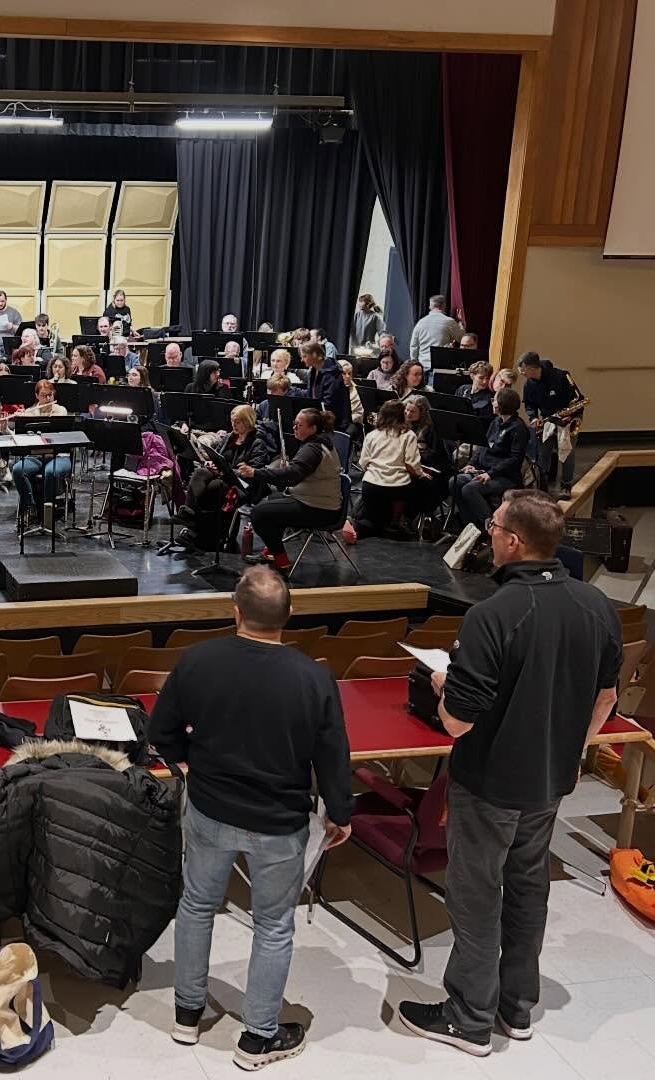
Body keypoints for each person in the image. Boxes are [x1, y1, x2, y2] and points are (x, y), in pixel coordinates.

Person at [397, 490, 621, 1057]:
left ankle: (468, 1017)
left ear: (514, 541)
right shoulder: (596, 606)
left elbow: (456, 726)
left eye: (494, 526)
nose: (488, 533)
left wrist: (446, 688)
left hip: (490, 783)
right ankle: (515, 1005)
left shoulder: (491, 615)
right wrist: (572, 750)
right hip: (550, 781)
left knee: (475, 895)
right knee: (528, 887)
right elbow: (607, 697)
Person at [150, 566, 351, 1071]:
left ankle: (187, 1016)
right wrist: (341, 812)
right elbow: (332, 755)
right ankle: (258, 1036)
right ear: (290, 615)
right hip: (279, 820)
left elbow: (161, 732)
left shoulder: (198, 661)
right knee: (273, 926)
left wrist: (190, 764)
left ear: (235, 612)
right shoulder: (314, 676)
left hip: (211, 808)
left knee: (196, 906)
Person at [239, 407, 343, 574]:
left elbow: (291, 477)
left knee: (259, 514)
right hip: (319, 502)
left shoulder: (312, 449)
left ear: (313, 429)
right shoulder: (319, 443)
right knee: (274, 499)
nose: (294, 427)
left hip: (319, 509)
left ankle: (282, 562)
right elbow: (298, 473)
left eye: (299, 425)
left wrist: (255, 472)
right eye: (294, 424)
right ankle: (271, 552)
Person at [449, 387, 530, 537]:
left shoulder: (519, 428)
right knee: (455, 481)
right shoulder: (495, 422)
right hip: (485, 471)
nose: (492, 402)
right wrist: (471, 463)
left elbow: (515, 459)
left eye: (495, 400)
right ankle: (471, 526)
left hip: (504, 477)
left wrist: (490, 474)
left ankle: (492, 528)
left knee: (470, 489)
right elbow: (483, 447)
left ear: (501, 404)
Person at [346, 400, 421, 541]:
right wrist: (420, 474)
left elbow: (363, 464)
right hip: (397, 489)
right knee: (419, 485)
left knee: (373, 521)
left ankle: (355, 524)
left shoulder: (372, 435)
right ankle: (399, 522)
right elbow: (412, 465)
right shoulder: (408, 435)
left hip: (371, 487)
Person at [517, 351, 583, 495]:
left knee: (566, 452)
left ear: (531, 368)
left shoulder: (561, 377)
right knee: (543, 453)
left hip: (567, 419)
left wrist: (571, 416)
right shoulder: (529, 384)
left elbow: (578, 399)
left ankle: (566, 486)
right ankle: (541, 485)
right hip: (548, 420)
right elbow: (529, 404)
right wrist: (533, 417)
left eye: (523, 370)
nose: (521, 373)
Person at [8, 380, 71, 524]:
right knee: (18, 470)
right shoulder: (29, 412)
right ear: (37, 396)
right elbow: (17, 438)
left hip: (59, 455)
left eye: (50, 395)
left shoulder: (61, 410)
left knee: (50, 472)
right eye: (44, 395)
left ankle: (47, 513)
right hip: (36, 455)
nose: (48, 399)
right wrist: (8, 426)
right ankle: (31, 507)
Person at [301, 342, 350, 432]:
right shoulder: (313, 371)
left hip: (333, 423)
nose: (302, 360)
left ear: (315, 354)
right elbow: (311, 395)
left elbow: (328, 403)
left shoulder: (332, 374)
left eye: (304, 356)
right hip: (318, 417)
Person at [409, 294, 463, 363]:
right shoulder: (449, 322)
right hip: (441, 365)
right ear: (444, 306)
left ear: (430, 307)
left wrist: (414, 363)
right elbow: (462, 338)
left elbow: (414, 346)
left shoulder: (420, 323)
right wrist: (460, 322)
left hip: (423, 365)